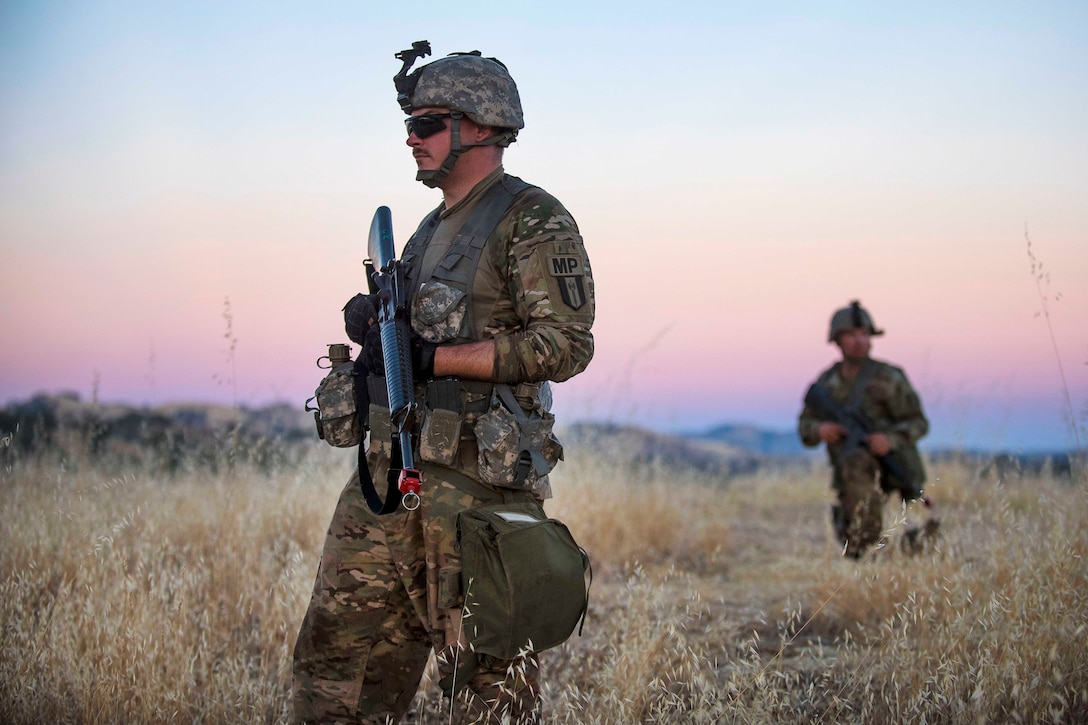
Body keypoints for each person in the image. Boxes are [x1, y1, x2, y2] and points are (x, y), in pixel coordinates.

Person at [292, 41, 595, 724]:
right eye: (411, 124)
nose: (411, 138)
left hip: (473, 495)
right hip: (387, 477)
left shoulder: (532, 218)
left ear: (480, 126)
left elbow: (567, 345)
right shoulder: (427, 229)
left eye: (428, 124)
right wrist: (377, 332)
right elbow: (412, 339)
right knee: (340, 662)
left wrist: (438, 360)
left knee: (489, 681)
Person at [797, 300, 930, 559]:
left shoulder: (889, 377)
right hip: (854, 472)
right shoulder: (827, 384)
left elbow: (918, 422)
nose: (859, 341)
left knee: (918, 539)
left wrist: (890, 440)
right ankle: (865, 554)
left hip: (897, 466)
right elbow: (804, 427)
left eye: (864, 334)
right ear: (837, 340)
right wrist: (819, 429)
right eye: (851, 335)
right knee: (856, 470)